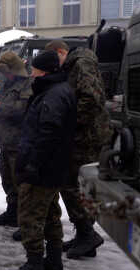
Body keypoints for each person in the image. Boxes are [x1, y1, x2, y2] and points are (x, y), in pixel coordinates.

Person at [45, 40, 112, 258]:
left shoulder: (81, 63)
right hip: (85, 134)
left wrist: (67, 123)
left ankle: (87, 233)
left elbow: (92, 99)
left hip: (86, 135)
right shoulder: (74, 64)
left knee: (70, 183)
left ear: (61, 52)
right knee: (79, 185)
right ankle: (85, 235)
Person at [15, 50, 77, 270]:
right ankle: (53, 260)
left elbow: (49, 133)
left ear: (42, 71)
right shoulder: (57, 89)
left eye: (33, 70)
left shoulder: (54, 94)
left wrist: (34, 164)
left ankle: (34, 262)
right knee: (50, 214)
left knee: (30, 215)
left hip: (43, 170)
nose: (31, 74)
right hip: (52, 168)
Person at [0, 52, 32, 237]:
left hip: (19, 142)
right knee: (7, 179)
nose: (5, 76)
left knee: (21, 183)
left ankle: (25, 221)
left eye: (6, 72)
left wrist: (1, 107)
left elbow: (26, 107)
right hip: (6, 140)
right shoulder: (9, 82)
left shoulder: (28, 82)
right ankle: (12, 213)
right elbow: (4, 100)